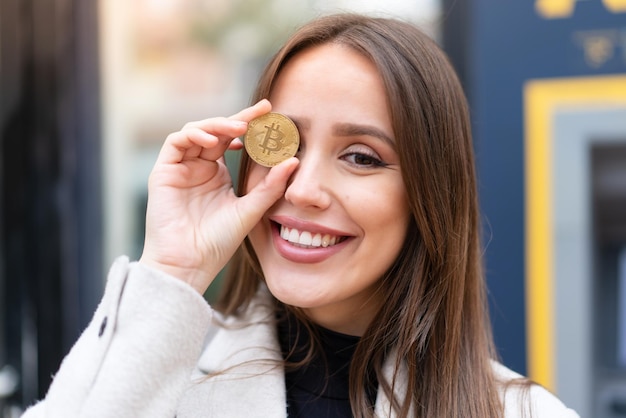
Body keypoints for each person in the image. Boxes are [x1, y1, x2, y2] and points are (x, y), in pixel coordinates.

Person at [23, 13, 579, 418]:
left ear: (430, 195)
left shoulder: (525, 412)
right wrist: (172, 268)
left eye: (361, 156)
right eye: (280, 145)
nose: (304, 188)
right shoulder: (159, 380)